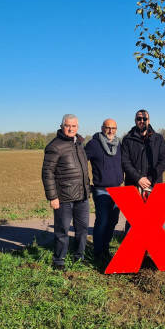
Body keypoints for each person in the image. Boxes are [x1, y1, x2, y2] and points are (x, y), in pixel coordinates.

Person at [41, 114, 90, 271]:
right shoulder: (55, 146)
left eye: (74, 126)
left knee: (82, 229)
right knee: (62, 230)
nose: (71, 129)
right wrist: (53, 197)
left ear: (78, 127)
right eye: (68, 126)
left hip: (82, 197)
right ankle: (59, 260)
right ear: (62, 126)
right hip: (63, 198)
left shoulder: (80, 144)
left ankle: (79, 257)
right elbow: (47, 173)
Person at [85, 119, 123, 262]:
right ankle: (98, 251)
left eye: (113, 128)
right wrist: (86, 183)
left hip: (118, 190)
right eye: (108, 128)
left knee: (113, 221)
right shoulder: (94, 144)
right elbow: (82, 163)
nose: (110, 131)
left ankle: (105, 248)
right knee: (102, 220)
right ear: (102, 128)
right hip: (101, 189)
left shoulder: (119, 144)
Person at [121, 109, 165, 195]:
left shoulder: (158, 139)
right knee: (133, 209)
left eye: (145, 119)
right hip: (133, 186)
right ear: (135, 121)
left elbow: (163, 161)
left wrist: (149, 179)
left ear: (148, 120)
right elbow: (125, 162)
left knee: (155, 209)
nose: (142, 121)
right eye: (139, 119)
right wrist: (138, 178)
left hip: (154, 185)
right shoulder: (127, 139)